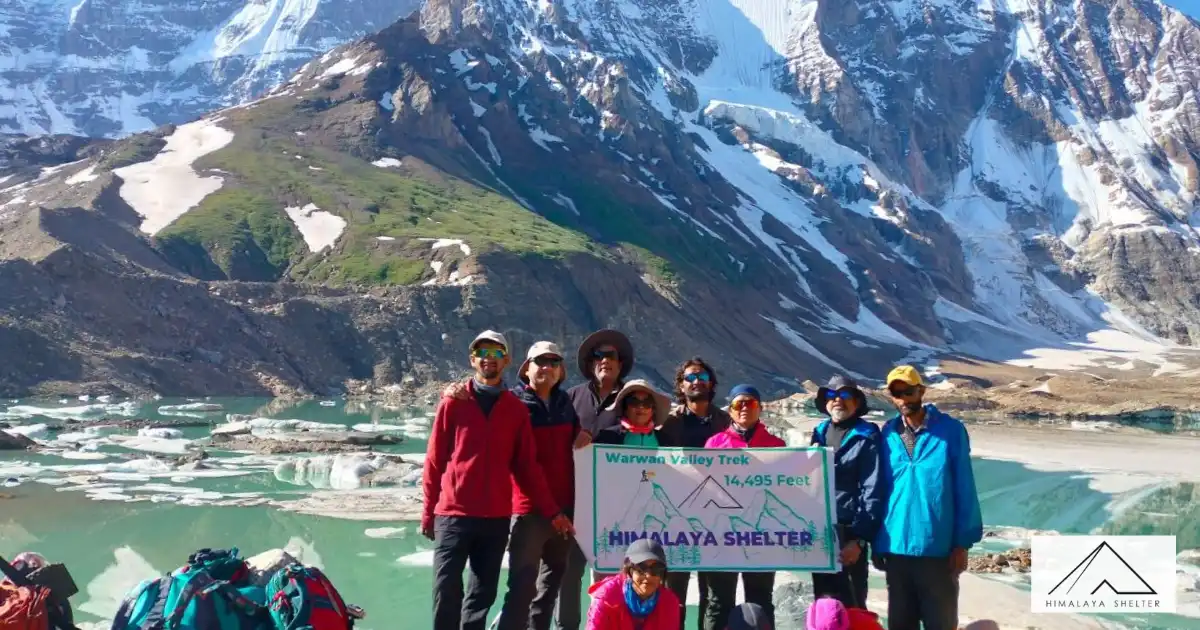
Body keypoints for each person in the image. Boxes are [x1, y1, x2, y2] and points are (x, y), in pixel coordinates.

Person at [423, 330, 575, 630]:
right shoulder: (454, 403)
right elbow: (434, 460)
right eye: (482, 353)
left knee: (482, 594)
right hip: (453, 514)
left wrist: (553, 511)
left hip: (495, 518)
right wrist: (428, 511)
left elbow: (526, 467)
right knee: (446, 590)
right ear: (473, 359)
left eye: (495, 353)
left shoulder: (514, 409)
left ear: (506, 360)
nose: (488, 359)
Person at [872, 365, 983, 630]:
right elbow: (880, 489)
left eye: (908, 392)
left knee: (940, 623)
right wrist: (877, 542)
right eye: (896, 393)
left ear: (921, 391)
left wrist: (962, 543)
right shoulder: (887, 433)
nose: (903, 399)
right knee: (901, 623)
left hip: (938, 547)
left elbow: (964, 488)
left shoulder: (950, 431)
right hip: (896, 546)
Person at [562, 328, 635, 630]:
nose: (605, 360)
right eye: (599, 355)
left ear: (621, 363)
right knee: (568, 573)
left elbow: (648, 430)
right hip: (573, 501)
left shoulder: (632, 398)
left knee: (610, 576)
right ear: (591, 363)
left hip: (616, 507)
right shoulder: (571, 397)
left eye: (611, 356)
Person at [702, 385, 784, 630]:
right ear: (730, 410)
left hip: (761, 535)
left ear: (759, 408)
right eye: (739, 404)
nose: (745, 408)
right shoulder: (714, 444)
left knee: (760, 601)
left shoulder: (776, 445)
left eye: (751, 403)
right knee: (719, 602)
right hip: (722, 535)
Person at [657, 358, 731, 630]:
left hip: (719, 521)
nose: (696, 381)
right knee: (672, 595)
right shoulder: (669, 424)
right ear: (680, 385)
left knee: (716, 597)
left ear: (711, 382)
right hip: (678, 522)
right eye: (689, 377)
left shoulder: (726, 421)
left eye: (701, 376)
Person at [808, 375, 883, 609]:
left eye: (845, 395)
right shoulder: (819, 432)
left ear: (857, 403)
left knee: (852, 605)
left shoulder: (867, 437)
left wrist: (859, 541)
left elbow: (873, 489)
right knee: (823, 603)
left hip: (849, 533)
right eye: (831, 395)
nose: (838, 400)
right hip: (820, 531)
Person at [585, 539, 681, 630]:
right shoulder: (606, 599)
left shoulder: (669, 603)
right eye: (641, 568)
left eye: (655, 569)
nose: (648, 576)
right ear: (629, 571)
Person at [593, 380, 675, 446]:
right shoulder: (606, 438)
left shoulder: (666, 442)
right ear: (625, 407)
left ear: (653, 410)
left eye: (647, 403)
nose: (641, 407)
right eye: (634, 402)